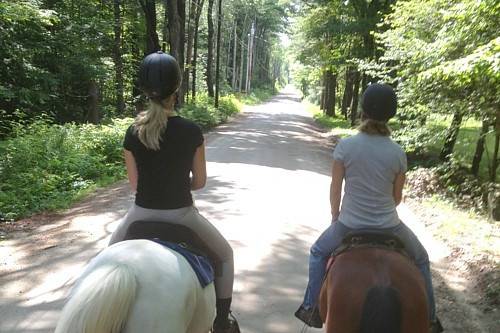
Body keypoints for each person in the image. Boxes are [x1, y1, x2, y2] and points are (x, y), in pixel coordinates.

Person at [109, 51, 239, 333]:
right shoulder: (191, 131)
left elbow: (134, 184)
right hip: (182, 216)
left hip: (139, 214)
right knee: (226, 255)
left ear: (144, 90)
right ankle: (222, 320)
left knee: (105, 262)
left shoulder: (133, 132)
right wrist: (180, 184)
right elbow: (200, 181)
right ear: (176, 89)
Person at [294, 84, 442, 332]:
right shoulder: (397, 153)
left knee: (318, 252)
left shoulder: (346, 146)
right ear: (390, 115)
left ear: (362, 111)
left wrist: (335, 216)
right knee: (421, 259)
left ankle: (312, 309)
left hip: (349, 224)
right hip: (390, 227)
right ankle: (431, 319)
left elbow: (335, 190)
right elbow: (396, 198)